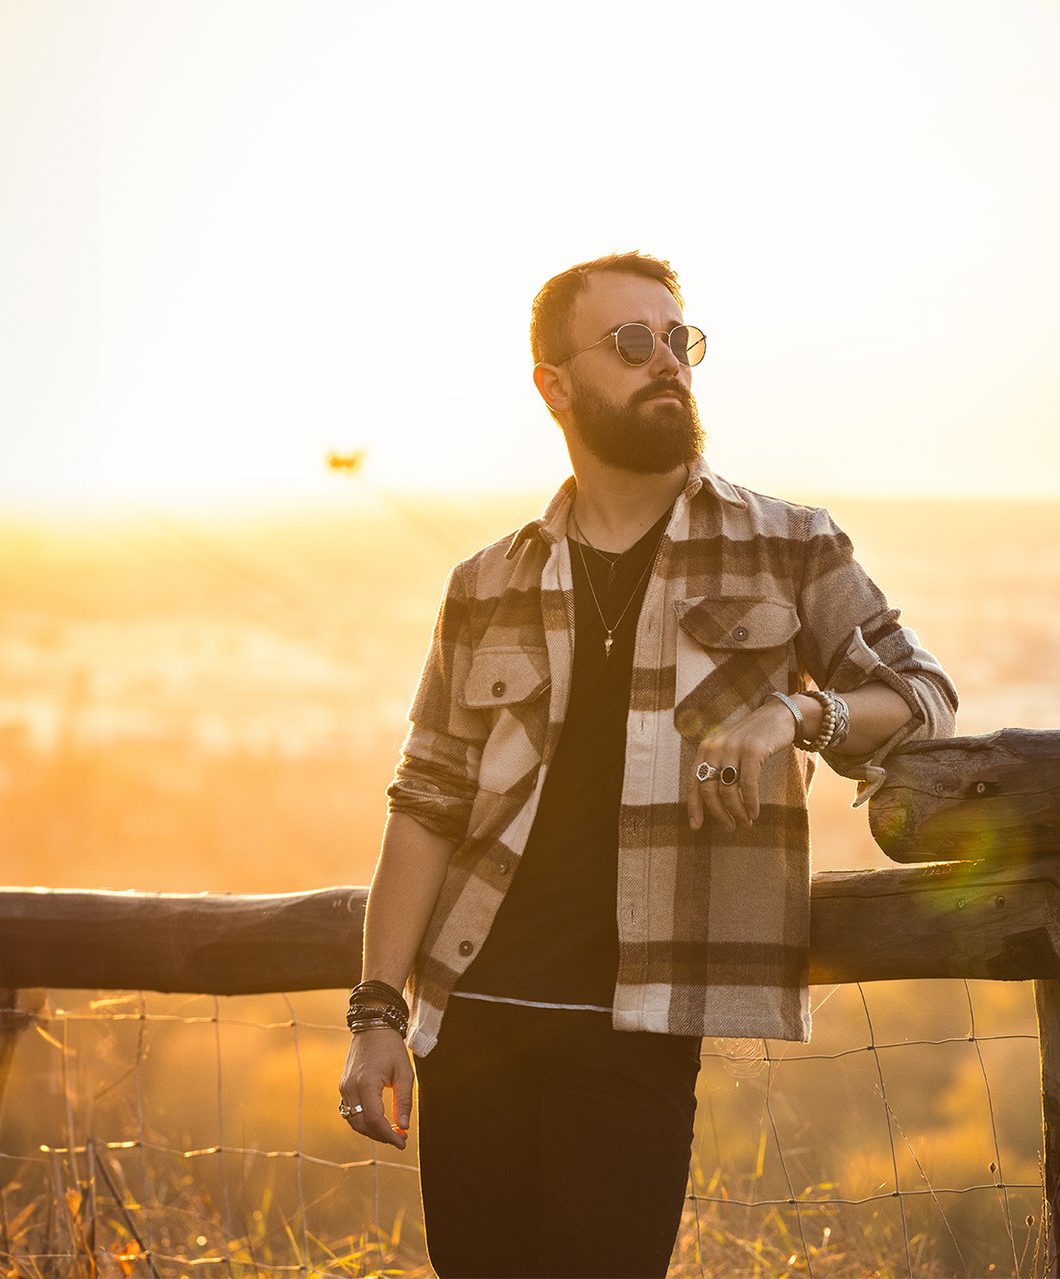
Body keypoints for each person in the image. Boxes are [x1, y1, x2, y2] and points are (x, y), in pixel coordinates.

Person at [337, 251, 958, 1278]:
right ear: (555, 385)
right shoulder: (486, 582)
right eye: (634, 343)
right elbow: (426, 802)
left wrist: (801, 713)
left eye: (681, 339)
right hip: (474, 1027)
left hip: (638, 1032)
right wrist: (374, 1017)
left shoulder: (789, 546)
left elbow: (923, 698)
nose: (668, 361)